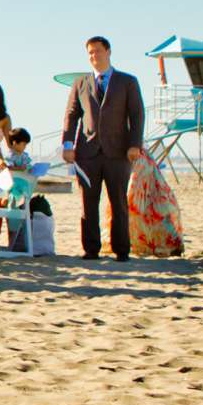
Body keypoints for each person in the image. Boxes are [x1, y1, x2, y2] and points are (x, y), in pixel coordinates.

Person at [61, 35, 146, 260]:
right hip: (87, 153)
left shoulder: (127, 81)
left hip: (118, 152)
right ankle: (91, 249)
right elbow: (71, 115)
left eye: (97, 51)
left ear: (108, 52)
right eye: (90, 52)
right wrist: (68, 144)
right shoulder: (81, 83)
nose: (93, 56)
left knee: (118, 201)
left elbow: (137, 115)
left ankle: (121, 249)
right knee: (88, 203)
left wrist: (135, 145)